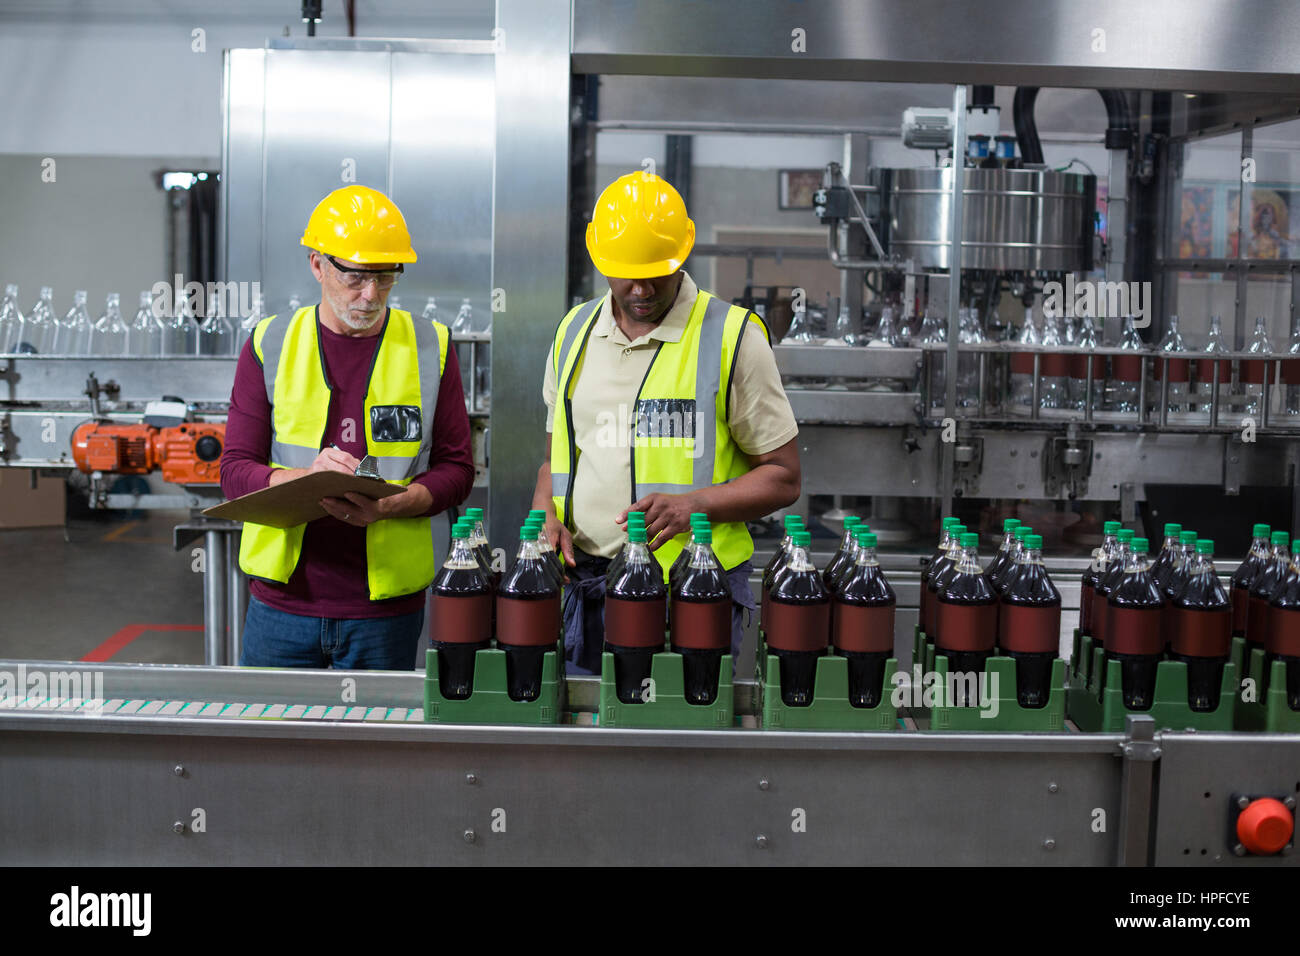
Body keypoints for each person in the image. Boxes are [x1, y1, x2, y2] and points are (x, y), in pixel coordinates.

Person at [534, 171, 801, 674]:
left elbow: (784, 478)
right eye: (624, 272)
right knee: (587, 742)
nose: (640, 288)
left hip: (693, 590)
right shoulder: (573, 332)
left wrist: (693, 506)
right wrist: (545, 517)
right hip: (585, 587)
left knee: (684, 738)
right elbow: (557, 458)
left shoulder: (732, 337)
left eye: (656, 270)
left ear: (683, 253)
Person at [221, 185, 475, 669]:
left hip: (384, 612)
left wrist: (397, 504)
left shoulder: (430, 346)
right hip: (282, 606)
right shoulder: (270, 343)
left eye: (385, 277)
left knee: (375, 745)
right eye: (356, 277)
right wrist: (305, 481)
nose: (370, 295)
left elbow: (457, 470)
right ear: (318, 264)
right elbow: (234, 472)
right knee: (272, 742)